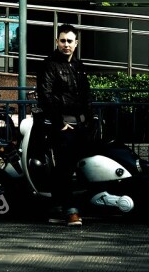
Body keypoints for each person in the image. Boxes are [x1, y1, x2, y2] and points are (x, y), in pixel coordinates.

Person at [36, 23, 92, 227]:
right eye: (63, 41)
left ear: (76, 44)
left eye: (70, 41)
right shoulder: (49, 64)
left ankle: (58, 207)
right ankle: (70, 210)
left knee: (77, 166)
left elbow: (86, 95)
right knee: (65, 168)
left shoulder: (79, 66)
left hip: (80, 124)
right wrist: (59, 122)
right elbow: (46, 95)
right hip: (63, 124)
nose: (66, 44)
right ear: (57, 42)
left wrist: (91, 120)